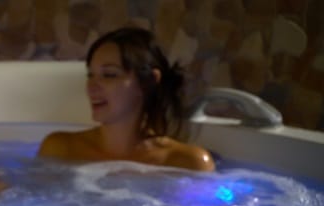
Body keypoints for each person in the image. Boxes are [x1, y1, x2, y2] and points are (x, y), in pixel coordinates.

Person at [38, 27, 215, 172]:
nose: (91, 86)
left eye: (109, 75)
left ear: (148, 82)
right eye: (90, 75)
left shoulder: (186, 163)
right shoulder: (60, 149)